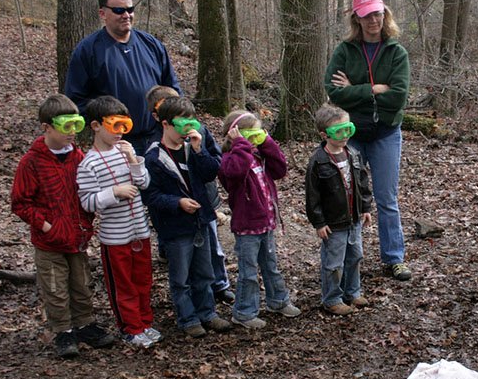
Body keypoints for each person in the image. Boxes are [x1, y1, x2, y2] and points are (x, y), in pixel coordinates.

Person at [11, 94, 115, 358]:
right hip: (49, 242)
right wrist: (47, 226)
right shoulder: (31, 162)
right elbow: (21, 203)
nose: (71, 133)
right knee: (55, 287)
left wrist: (86, 222)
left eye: (76, 125)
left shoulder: (79, 157)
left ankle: (85, 325)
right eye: (65, 126)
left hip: (77, 237)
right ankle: (63, 331)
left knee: (81, 283)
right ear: (47, 126)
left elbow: (88, 193)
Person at [324, 0, 412, 281]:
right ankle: (351, 258)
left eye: (377, 13)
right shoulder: (345, 51)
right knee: (351, 197)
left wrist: (355, 89)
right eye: (366, 15)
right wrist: (375, 89)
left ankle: (394, 258)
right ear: (357, 19)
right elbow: (334, 92)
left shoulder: (396, 52)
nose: (373, 20)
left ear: (384, 14)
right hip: (352, 135)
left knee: (386, 198)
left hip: (386, 133)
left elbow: (398, 98)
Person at [141, 96, 231, 338]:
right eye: (181, 124)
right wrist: (178, 203)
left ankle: (208, 313)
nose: (187, 130)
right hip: (175, 227)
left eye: (191, 123)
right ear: (166, 124)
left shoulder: (193, 147)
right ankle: (188, 318)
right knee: (181, 278)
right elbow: (151, 196)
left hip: (200, 222)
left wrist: (200, 150)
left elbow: (212, 172)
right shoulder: (154, 157)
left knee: (205, 273)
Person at [76, 96, 159, 349]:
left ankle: (145, 322)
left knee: (143, 280)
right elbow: (88, 202)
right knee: (123, 284)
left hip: (140, 232)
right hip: (115, 238)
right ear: (96, 126)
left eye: (125, 125)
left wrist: (134, 160)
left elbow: (144, 183)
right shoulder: (88, 163)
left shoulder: (126, 151)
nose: (120, 132)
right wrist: (115, 192)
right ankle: (130, 328)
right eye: (115, 125)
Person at [64, 0, 181, 156]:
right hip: (116, 142)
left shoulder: (151, 44)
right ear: (103, 13)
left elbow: (173, 87)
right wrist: (104, 125)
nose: (126, 15)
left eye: (130, 9)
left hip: (157, 136)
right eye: (119, 10)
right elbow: (76, 99)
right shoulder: (88, 50)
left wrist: (173, 121)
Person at [218, 110, 301, 329]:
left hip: (267, 223)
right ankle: (244, 312)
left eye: (257, 134)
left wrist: (267, 142)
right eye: (250, 135)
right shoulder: (229, 159)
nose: (254, 140)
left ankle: (278, 300)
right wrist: (240, 146)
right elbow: (235, 173)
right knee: (248, 272)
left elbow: (280, 169)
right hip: (247, 227)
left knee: (271, 266)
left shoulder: (258, 155)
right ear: (235, 135)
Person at [305, 104, 373, 315]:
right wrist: (319, 222)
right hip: (333, 223)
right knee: (334, 262)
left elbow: (362, 183)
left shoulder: (353, 153)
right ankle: (332, 297)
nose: (345, 136)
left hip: (353, 218)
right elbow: (312, 196)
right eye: (339, 131)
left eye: (348, 129)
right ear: (324, 135)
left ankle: (352, 292)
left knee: (355, 256)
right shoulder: (318, 162)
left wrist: (366, 208)